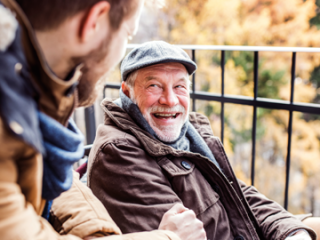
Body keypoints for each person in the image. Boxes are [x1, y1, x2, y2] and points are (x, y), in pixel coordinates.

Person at [0, 0, 206, 239]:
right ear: (94, 22)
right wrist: (169, 238)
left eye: (180, 86)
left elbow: (60, 184)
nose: (170, 100)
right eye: (128, 35)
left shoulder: (27, 89)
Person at [87, 40, 320, 240]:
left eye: (179, 86)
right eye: (154, 86)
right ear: (126, 92)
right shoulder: (119, 153)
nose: (170, 100)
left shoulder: (189, 133)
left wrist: (290, 231)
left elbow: (236, 193)